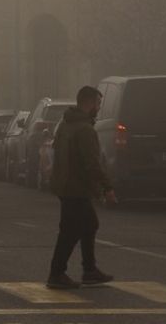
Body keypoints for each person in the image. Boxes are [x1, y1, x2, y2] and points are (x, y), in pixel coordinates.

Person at [47, 85, 117, 289]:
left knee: (87, 225)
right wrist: (107, 187)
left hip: (65, 185)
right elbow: (92, 163)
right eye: (98, 103)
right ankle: (57, 273)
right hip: (76, 187)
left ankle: (89, 270)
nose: (99, 108)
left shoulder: (65, 125)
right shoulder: (85, 130)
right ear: (88, 103)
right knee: (72, 230)